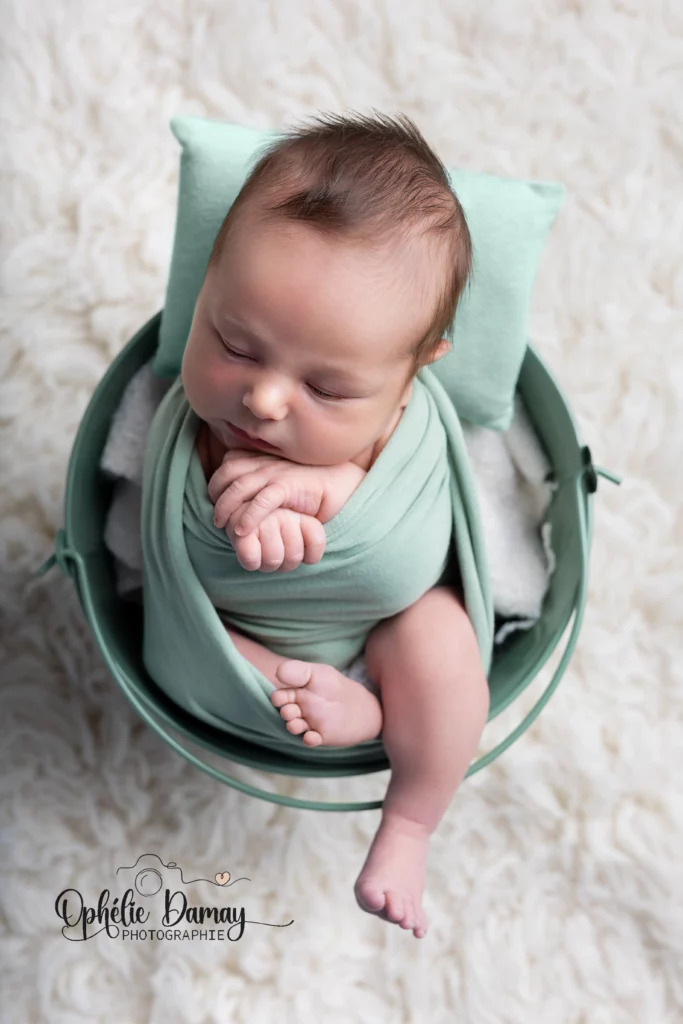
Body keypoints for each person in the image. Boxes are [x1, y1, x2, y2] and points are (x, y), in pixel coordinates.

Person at [180, 112, 490, 939]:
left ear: (408, 377)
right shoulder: (178, 431)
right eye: (234, 344)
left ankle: (410, 822)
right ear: (206, 285)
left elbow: (421, 548)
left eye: (327, 390)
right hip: (235, 634)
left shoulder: (403, 426)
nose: (265, 400)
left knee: (440, 638)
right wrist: (235, 524)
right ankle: (349, 708)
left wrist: (344, 490)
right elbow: (170, 553)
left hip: (385, 623)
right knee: (212, 639)